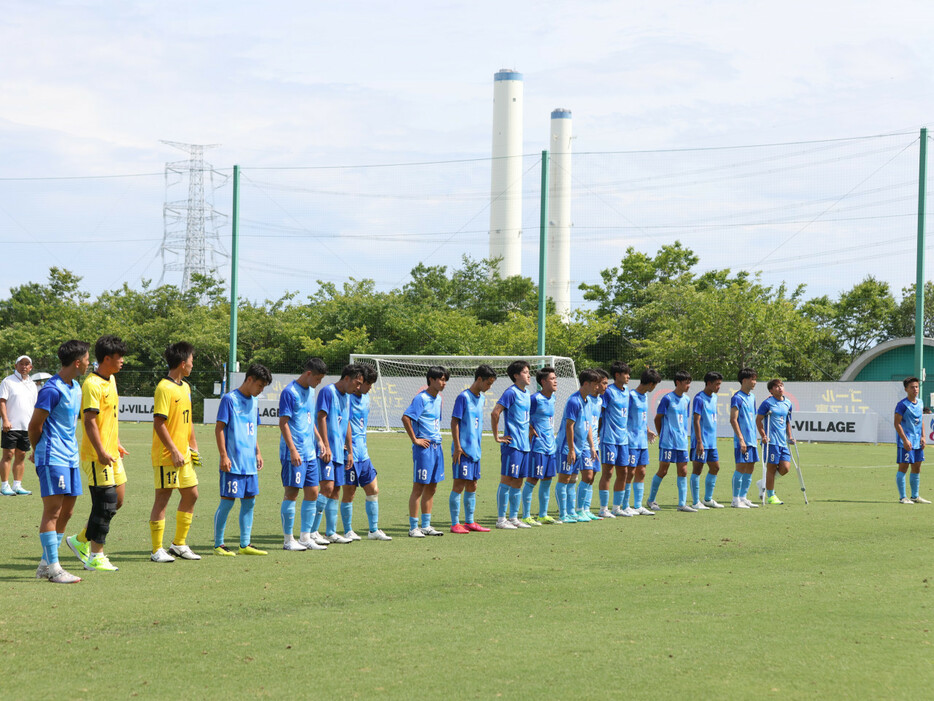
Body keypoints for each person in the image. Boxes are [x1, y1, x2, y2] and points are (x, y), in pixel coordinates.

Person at [29, 340, 90, 584]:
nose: (89, 363)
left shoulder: (76, 387)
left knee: (68, 510)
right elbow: (35, 426)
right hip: (53, 457)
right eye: (87, 359)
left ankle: (46, 562)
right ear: (77, 362)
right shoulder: (51, 389)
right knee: (52, 511)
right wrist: (39, 451)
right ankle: (54, 568)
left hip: (71, 457)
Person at [67, 335, 129, 572]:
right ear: (106, 358)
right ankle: (96, 556)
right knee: (105, 504)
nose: (122, 361)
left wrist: (117, 442)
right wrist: (101, 450)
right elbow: (90, 422)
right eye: (119, 357)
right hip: (97, 456)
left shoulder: (111, 379)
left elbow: (109, 417)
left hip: (111, 452)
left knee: (117, 500)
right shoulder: (91, 384)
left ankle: (80, 540)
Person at [148, 342, 203, 563]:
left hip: (184, 455)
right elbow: (159, 423)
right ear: (183, 363)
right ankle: (156, 550)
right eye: (191, 360)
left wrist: (193, 445)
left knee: (191, 494)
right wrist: (173, 450)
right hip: (167, 456)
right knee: (163, 498)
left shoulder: (186, 387)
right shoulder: (164, 388)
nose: (192, 363)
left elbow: (187, 420)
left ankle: (179, 544)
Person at [213, 363, 272, 556]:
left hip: (249, 464)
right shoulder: (229, 399)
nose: (261, 390)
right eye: (260, 385)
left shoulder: (255, 401)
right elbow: (219, 428)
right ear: (249, 380)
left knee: (249, 502)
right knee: (228, 502)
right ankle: (218, 545)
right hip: (233, 462)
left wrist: (258, 452)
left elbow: (252, 429)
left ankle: (245, 544)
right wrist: (223, 455)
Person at [278, 357, 328, 552]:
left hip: (310, 452)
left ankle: (306, 537)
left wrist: (320, 440)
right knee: (292, 493)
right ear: (308, 374)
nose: (319, 383)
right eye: (317, 379)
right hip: (295, 453)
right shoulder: (289, 393)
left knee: (313, 491)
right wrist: (292, 450)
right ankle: (288, 540)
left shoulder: (311, 391)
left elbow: (309, 420)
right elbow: (283, 423)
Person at [314, 364, 363, 544]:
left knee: (335, 489)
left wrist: (350, 450)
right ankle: (312, 531)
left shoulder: (348, 397)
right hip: (327, 450)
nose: (358, 388)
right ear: (347, 378)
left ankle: (331, 532)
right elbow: (321, 417)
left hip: (340, 452)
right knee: (326, 487)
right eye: (357, 383)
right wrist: (325, 445)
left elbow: (347, 423)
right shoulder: (328, 391)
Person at [342, 364, 392, 541]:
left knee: (373, 489)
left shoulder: (366, 398)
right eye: (368, 383)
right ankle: (347, 530)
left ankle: (373, 530)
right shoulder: (345, 398)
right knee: (349, 492)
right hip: (350, 453)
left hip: (364, 453)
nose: (369, 387)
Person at [449, 364, 496, 533]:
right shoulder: (463, 397)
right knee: (459, 485)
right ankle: (455, 524)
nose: (489, 387)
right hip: (463, 451)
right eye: (488, 383)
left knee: (473, 485)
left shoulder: (481, 398)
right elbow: (454, 422)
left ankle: (469, 521)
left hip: (475, 451)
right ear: (479, 379)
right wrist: (458, 447)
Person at [403, 365, 449, 537]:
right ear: (431, 379)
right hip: (424, 448)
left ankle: (426, 525)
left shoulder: (439, 399)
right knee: (419, 486)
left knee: (432, 486)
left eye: (445, 380)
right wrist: (415, 439)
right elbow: (406, 417)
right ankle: (413, 527)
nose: (444, 383)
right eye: (441, 379)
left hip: (437, 447)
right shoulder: (421, 398)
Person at [491, 360, 533, 529]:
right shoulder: (511, 392)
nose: (529, 375)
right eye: (525, 372)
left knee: (518, 482)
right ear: (516, 376)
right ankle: (501, 519)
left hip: (525, 445)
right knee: (507, 480)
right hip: (512, 444)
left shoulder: (527, 393)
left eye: (529, 371)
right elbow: (495, 413)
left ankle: (514, 518)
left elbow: (523, 416)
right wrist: (497, 437)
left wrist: (529, 428)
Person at [555, 369, 600, 523]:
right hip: (567, 447)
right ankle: (563, 514)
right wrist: (571, 449)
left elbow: (587, 426)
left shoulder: (587, 401)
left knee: (573, 479)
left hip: (580, 447)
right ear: (586, 384)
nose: (597, 387)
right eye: (594, 384)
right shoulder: (574, 401)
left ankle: (572, 512)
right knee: (564, 479)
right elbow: (569, 426)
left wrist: (592, 446)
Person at [648, 371, 693, 512]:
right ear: (678, 383)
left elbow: (684, 421)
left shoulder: (687, 400)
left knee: (683, 471)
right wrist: (662, 434)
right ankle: (651, 500)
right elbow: (657, 418)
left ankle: (682, 504)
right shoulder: (667, 399)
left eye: (689, 382)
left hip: (681, 442)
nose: (688, 386)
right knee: (663, 470)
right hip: (668, 442)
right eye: (686, 382)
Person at [522, 367, 558, 524]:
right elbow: (522, 416)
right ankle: (526, 515)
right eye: (552, 379)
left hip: (551, 445)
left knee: (548, 479)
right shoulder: (534, 399)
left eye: (555, 378)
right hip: (538, 446)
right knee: (533, 479)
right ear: (543, 382)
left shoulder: (553, 398)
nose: (555, 381)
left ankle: (543, 514)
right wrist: (530, 428)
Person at [626, 368, 661, 516]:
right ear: (650, 384)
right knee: (630, 472)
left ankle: (638, 505)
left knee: (642, 471)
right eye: (655, 385)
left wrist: (647, 430)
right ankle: (625, 505)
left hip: (642, 442)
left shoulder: (645, 396)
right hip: (630, 440)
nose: (654, 388)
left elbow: (643, 416)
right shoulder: (631, 396)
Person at [1, 354, 37, 496]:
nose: (24, 366)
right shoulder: (8, 381)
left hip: (26, 426)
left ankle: (17, 485)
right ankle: (4, 486)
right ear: (16, 366)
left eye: (27, 364)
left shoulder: (32, 385)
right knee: (8, 455)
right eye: (21, 364)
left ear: (31, 367)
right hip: (10, 425)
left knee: (21, 455)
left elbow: (35, 406)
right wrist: (5, 420)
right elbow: (2, 401)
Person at [598, 361, 630, 518]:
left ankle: (617, 507)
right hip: (609, 438)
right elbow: (600, 414)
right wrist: (597, 433)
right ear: (617, 375)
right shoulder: (608, 392)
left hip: (623, 440)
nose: (628, 376)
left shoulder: (627, 391)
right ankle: (603, 508)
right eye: (626, 373)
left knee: (623, 472)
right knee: (608, 472)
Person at [755, 378, 795, 505]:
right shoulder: (767, 403)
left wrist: (789, 436)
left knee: (785, 468)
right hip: (771, 442)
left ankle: (763, 482)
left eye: (782, 385)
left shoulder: (788, 403)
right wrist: (763, 435)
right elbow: (758, 420)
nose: (780, 388)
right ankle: (771, 496)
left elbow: (787, 421)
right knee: (771, 469)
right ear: (771, 390)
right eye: (777, 386)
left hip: (782, 442)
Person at [576, 369, 608, 520]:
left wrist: (598, 436)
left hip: (595, 443)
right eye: (602, 383)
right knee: (587, 476)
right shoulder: (585, 400)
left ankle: (587, 508)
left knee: (592, 476)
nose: (604, 387)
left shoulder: (601, 401)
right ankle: (579, 508)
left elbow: (597, 421)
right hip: (584, 444)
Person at [691, 371, 724, 509]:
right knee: (697, 469)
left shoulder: (714, 397)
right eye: (717, 384)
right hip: (701, 442)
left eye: (720, 384)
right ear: (709, 383)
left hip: (711, 442)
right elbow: (696, 421)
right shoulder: (699, 398)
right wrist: (699, 442)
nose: (719, 387)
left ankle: (708, 499)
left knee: (715, 467)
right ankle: (695, 502)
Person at [894, 376, 929, 504]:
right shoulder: (902, 405)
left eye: (917, 387)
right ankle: (903, 497)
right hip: (906, 442)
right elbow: (897, 424)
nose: (915, 389)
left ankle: (915, 496)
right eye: (912, 387)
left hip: (917, 441)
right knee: (903, 467)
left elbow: (921, 420)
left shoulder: (920, 402)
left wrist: (923, 436)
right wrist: (904, 440)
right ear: (906, 389)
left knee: (917, 467)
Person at [729, 368, 760, 509]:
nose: (754, 382)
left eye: (755, 379)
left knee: (750, 467)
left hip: (752, 439)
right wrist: (741, 439)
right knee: (741, 468)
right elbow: (733, 420)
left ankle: (743, 497)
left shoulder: (752, 397)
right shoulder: (737, 397)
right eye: (752, 379)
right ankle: (735, 500)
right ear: (744, 380)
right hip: (742, 440)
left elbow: (752, 418)